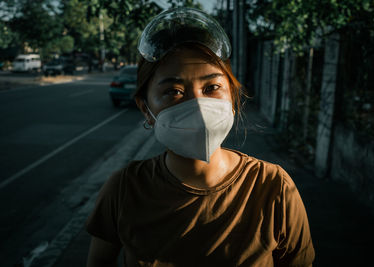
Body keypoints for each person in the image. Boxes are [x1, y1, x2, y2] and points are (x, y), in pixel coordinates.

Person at [86, 7, 315, 267]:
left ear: (233, 95)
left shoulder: (273, 187)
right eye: (174, 91)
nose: (198, 105)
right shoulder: (124, 190)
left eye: (212, 87)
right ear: (145, 109)